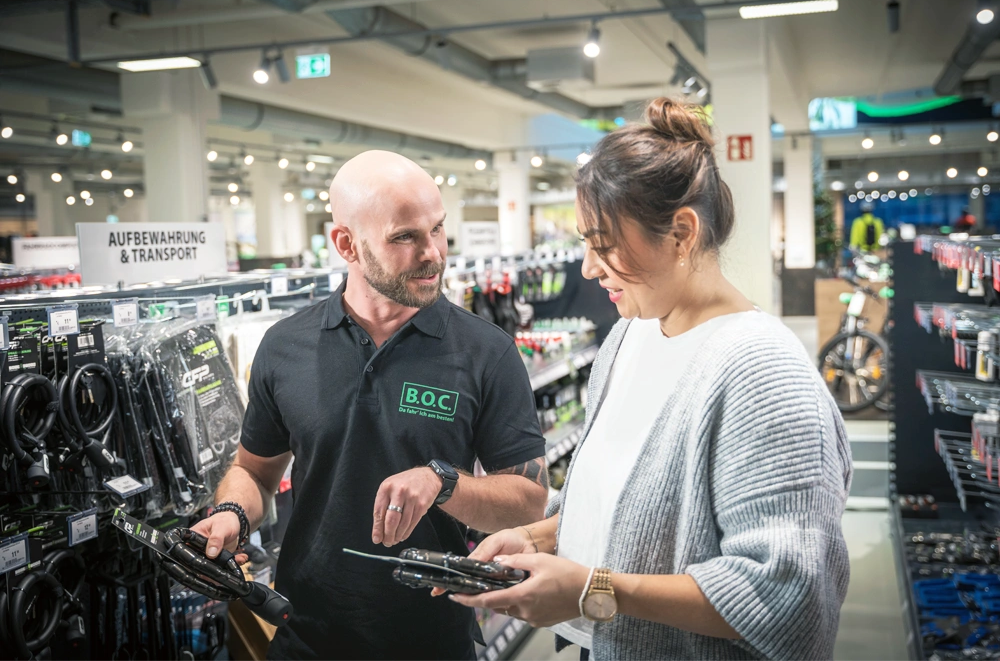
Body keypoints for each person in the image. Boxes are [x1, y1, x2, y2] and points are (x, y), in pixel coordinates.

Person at [450, 98, 853, 661]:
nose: (589, 268)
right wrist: (538, 539)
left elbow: (790, 599)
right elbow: (617, 512)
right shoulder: (627, 339)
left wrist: (595, 591)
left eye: (602, 242)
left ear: (681, 233)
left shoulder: (762, 374)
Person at [192, 150, 549, 660]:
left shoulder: (487, 352)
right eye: (405, 236)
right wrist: (231, 513)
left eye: (438, 229)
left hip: (433, 639)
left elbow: (529, 500)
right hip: (304, 636)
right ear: (346, 244)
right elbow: (254, 471)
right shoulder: (283, 347)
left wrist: (442, 481)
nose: (433, 253)